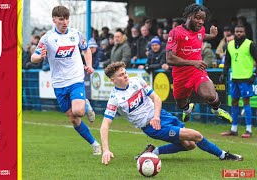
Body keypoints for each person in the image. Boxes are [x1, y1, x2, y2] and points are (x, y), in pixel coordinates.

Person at [100, 62, 243, 165]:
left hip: (161, 115)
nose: (125, 76)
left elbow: (156, 98)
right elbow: (105, 125)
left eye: (125, 72)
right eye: (121, 75)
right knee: (196, 135)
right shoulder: (115, 99)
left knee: (190, 145)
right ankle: (224, 155)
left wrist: (156, 116)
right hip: (151, 126)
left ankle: (153, 152)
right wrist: (106, 150)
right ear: (113, 80)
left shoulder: (136, 81)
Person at [31, 5, 101, 155]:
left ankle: (85, 106)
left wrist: (88, 65)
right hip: (58, 84)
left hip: (76, 79)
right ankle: (94, 143)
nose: (65, 22)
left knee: (78, 111)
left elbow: (86, 49)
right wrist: (41, 56)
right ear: (54, 20)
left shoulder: (76, 34)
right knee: (73, 118)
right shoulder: (47, 38)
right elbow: (34, 57)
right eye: (61, 19)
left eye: (67, 19)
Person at [166, 4, 232, 123]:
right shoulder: (176, 33)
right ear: (189, 16)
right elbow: (170, 59)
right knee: (181, 103)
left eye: (203, 19)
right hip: (180, 75)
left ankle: (216, 110)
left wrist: (211, 36)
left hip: (197, 71)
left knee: (210, 95)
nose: (201, 22)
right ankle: (187, 109)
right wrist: (193, 62)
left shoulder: (200, 30)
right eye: (198, 18)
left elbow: (199, 36)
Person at [220, 25, 257, 138]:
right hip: (235, 78)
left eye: (241, 31)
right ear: (234, 33)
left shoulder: (250, 44)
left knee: (246, 102)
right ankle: (234, 129)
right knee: (234, 102)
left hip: (246, 79)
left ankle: (249, 130)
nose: (239, 33)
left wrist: (254, 74)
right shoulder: (230, 45)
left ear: (244, 32)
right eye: (237, 31)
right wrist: (224, 73)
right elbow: (227, 62)